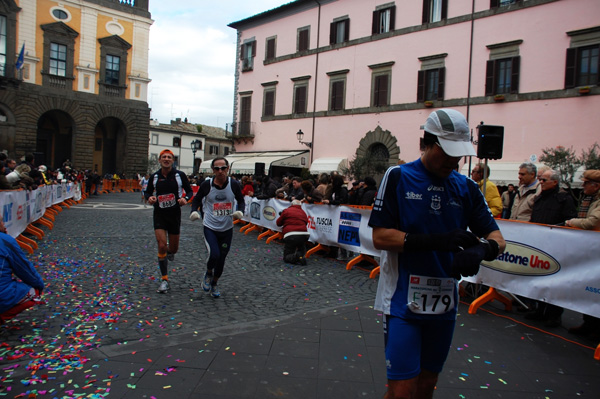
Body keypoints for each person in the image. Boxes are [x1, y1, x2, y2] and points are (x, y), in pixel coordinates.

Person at [369, 109, 505, 399]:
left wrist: (483, 249)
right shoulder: (398, 177)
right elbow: (380, 237)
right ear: (427, 143)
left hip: (443, 305)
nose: (453, 161)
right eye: (447, 152)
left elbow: (498, 238)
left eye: (458, 155)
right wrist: (436, 241)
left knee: (426, 387)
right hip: (402, 302)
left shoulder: (466, 187)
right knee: (402, 391)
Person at [526, 169, 576, 327]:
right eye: (540, 180)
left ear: (555, 182)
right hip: (540, 244)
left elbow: (570, 220)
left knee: (556, 281)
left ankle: (554, 315)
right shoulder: (539, 198)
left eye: (544, 180)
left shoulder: (564, 199)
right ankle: (540, 310)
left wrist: (556, 229)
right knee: (540, 278)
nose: (541, 182)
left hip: (557, 245)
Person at [190, 157, 245, 298]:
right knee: (214, 254)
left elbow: (241, 200)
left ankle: (214, 283)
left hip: (227, 229)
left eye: (223, 168)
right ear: (213, 170)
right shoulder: (207, 185)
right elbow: (196, 199)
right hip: (210, 227)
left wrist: (240, 211)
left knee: (221, 259)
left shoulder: (233, 184)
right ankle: (208, 273)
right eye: (217, 168)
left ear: (228, 169)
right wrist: (194, 211)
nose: (220, 171)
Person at [144, 149, 194, 293]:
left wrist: (185, 198)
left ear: (173, 160)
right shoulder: (154, 176)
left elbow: (189, 191)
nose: (166, 159)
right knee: (161, 245)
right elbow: (147, 192)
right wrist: (150, 197)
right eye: (164, 157)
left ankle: (170, 252)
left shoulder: (180, 175)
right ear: (159, 160)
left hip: (174, 215)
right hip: (159, 214)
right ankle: (164, 279)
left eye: (169, 157)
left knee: (173, 249)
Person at [565, 170, 600, 340]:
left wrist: (571, 222)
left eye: (586, 183)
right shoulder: (589, 200)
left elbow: (591, 222)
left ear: (596, 186)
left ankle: (594, 326)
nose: (583, 186)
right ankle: (589, 323)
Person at [0, 212, 45, 324]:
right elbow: (24, 269)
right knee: (34, 293)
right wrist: (39, 286)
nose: (4, 224)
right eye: (1, 221)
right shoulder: (5, 241)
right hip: (3, 296)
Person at [276, 199, 309, 265]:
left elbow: (278, 223)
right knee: (301, 245)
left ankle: (296, 256)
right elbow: (306, 223)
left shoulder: (286, 211)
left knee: (287, 256)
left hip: (290, 234)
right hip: (304, 234)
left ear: (292, 204)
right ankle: (300, 256)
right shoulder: (303, 212)